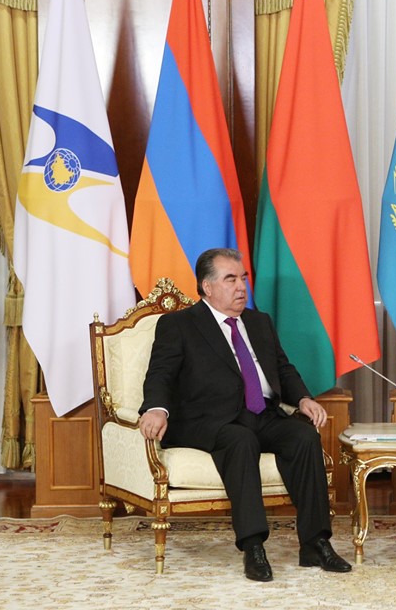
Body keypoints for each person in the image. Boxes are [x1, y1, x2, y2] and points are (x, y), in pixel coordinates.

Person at [138, 248, 351, 582]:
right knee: (240, 440)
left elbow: (282, 367)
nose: (241, 287)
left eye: (243, 278)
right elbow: (160, 373)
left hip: (262, 413)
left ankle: (315, 544)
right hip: (208, 419)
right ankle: (253, 547)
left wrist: (303, 399)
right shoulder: (179, 324)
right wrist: (155, 408)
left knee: (303, 436)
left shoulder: (259, 322)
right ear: (207, 287)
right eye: (230, 279)